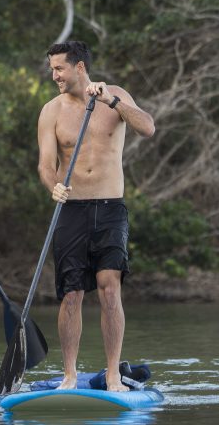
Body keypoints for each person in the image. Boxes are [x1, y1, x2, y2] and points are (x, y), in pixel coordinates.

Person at [38, 41, 155, 392]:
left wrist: (112, 102)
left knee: (109, 289)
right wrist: (53, 187)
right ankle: (70, 376)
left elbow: (148, 128)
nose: (54, 75)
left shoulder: (114, 95)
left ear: (79, 67)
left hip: (110, 209)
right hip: (71, 210)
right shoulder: (51, 111)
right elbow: (45, 165)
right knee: (71, 294)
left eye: (59, 68)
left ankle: (114, 375)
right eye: (52, 69)